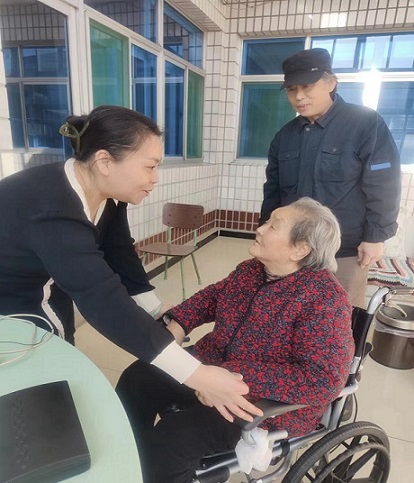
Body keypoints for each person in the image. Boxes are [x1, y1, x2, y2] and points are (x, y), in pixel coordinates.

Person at [0, 105, 262, 424]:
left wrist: (156, 313)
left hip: (44, 289)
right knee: (29, 386)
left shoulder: (104, 192)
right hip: (11, 305)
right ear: (105, 162)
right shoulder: (54, 210)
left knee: (60, 358)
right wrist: (197, 375)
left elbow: (119, 253)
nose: (155, 179)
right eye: (149, 167)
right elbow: (102, 300)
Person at [116, 197, 355, 483]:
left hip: (258, 403)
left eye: (273, 226)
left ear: (300, 249)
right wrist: (178, 323)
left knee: (171, 442)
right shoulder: (251, 270)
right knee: (137, 379)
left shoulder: (325, 300)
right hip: (210, 367)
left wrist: (231, 376)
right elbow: (212, 297)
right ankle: (128, 461)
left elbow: (323, 380)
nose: (260, 229)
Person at [260, 48, 401, 308]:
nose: (299, 96)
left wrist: (375, 237)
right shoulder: (285, 136)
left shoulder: (365, 124)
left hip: (344, 250)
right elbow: (273, 191)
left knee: (340, 316)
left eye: (307, 86)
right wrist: (265, 232)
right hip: (293, 248)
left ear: (331, 83)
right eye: (291, 89)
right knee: (288, 313)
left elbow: (384, 184)